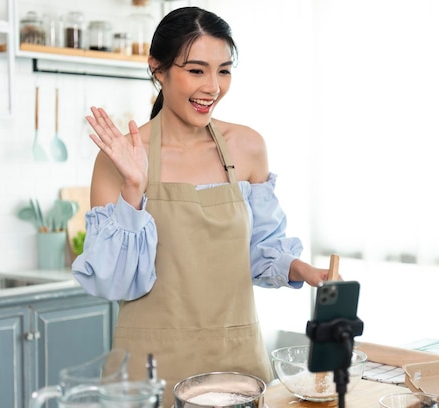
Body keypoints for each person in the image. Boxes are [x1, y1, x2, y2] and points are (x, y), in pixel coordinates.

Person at [72, 6, 331, 407]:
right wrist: (134, 188)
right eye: (196, 70)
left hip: (239, 365)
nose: (213, 86)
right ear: (158, 70)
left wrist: (303, 270)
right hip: (151, 371)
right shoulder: (120, 158)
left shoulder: (247, 148)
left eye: (223, 70)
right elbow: (113, 282)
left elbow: (263, 249)